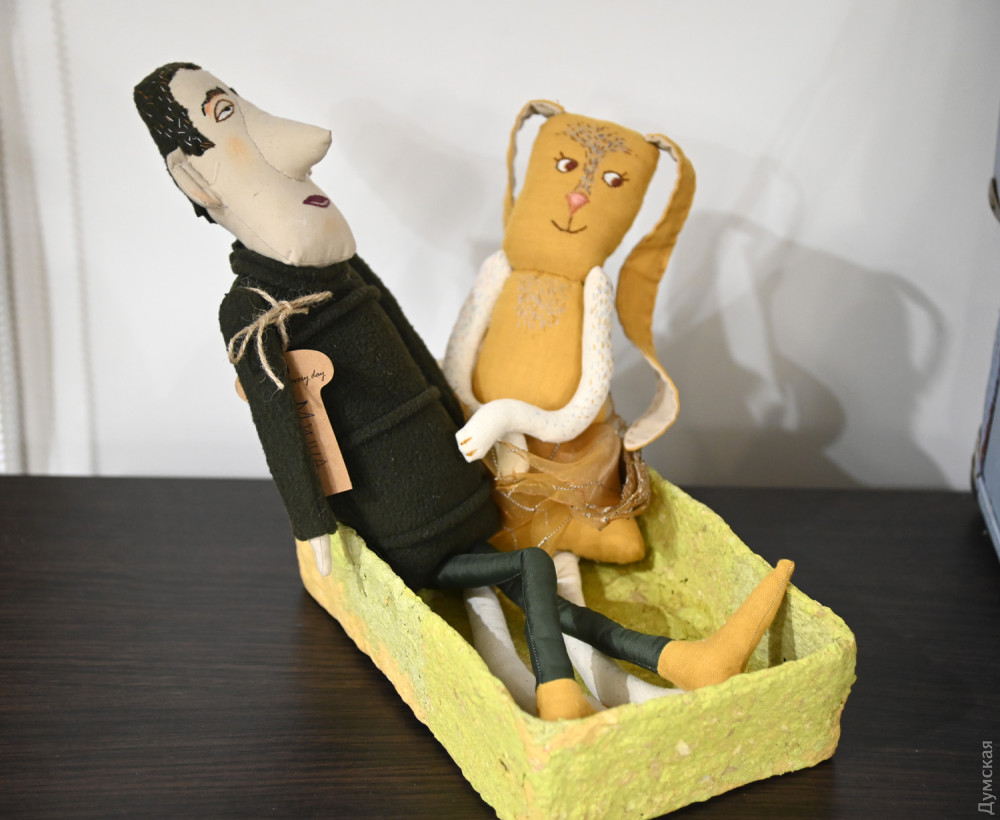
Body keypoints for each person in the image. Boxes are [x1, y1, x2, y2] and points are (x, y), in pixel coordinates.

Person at [134, 62, 794, 720]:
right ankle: (560, 692)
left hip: (462, 494)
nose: (303, 151)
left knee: (535, 592)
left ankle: (676, 661)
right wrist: (311, 526)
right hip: (407, 529)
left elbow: (415, 348)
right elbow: (280, 420)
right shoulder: (252, 308)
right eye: (224, 114)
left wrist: (467, 420)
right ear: (194, 179)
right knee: (532, 572)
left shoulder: (344, 266)